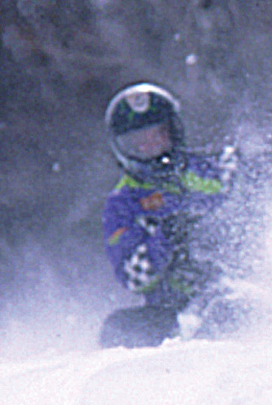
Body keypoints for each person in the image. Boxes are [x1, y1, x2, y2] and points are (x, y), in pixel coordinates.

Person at [97, 82, 236, 347]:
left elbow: (251, 195)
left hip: (233, 284)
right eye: (139, 142)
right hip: (172, 308)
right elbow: (132, 277)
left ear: (173, 132)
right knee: (118, 329)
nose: (150, 146)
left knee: (242, 307)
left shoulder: (214, 170)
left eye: (157, 135)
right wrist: (166, 237)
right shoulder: (123, 203)